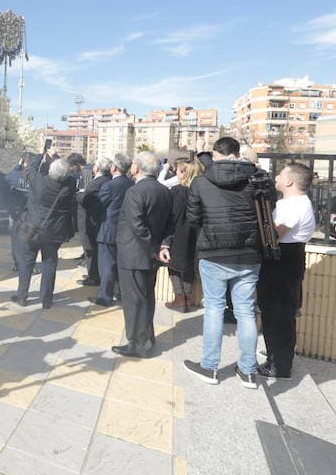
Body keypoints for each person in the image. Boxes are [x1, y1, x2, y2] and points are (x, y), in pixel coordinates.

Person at [183, 136, 271, 390]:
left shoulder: (201, 181)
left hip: (213, 253)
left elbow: (193, 218)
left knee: (214, 308)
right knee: (245, 311)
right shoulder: (256, 179)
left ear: (214, 153)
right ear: (237, 153)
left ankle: (209, 367)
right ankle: (248, 371)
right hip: (249, 254)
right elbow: (267, 212)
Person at [257, 163, 316, 380]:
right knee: (275, 312)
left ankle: (279, 364)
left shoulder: (295, 205)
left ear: (290, 181)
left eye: (281, 174)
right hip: (286, 259)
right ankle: (276, 354)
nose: (276, 178)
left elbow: (274, 235)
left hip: (283, 260)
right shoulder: (293, 203)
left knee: (278, 313)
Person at [113, 152, 172, 358]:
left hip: (134, 254)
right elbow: (169, 225)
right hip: (149, 255)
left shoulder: (135, 191)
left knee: (134, 300)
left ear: (136, 168)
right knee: (146, 297)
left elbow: (137, 226)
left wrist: (156, 247)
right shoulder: (164, 191)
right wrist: (162, 246)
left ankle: (137, 343)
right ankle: (146, 338)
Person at [12, 153, 76, 309]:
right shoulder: (70, 185)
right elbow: (69, 175)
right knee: (49, 263)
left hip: (33, 228)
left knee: (27, 261)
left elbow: (30, 168)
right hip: (53, 232)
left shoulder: (39, 182)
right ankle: (46, 299)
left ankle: (22, 296)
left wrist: (41, 154)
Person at [89, 153, 133, 307]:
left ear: (114, 167)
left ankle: (105, 297)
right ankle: (121, 293)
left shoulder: (109, 186)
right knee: (121, 264)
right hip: (126, 231)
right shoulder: (131, 184)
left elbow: (98, 206)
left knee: (106, 265)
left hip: (108, 230)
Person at [161, 157, 204, 312]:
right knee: (188, 269)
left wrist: (165, 240)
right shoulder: (201, 191)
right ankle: (187, 298)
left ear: (184, 173)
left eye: (177, 170)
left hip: (179, 235)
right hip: (196, 236)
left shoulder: (178, 191)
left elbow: (173, 216)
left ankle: (180, 298)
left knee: (173, 266)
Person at [79, 157, 112, 286]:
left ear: (96, 168)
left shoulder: (96, 183)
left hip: (92, 221)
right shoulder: (109, 180)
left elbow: (86, 200)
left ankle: (93, 276)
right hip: (102, 221)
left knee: (90, 249)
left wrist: (79, 195)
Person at [5, 153, 35, 274]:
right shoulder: (35, 176)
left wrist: (17, 166)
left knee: (15, 238)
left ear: (23, 162)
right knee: (29, 239)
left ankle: (17, 263)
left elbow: (7, 178)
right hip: (29, 213)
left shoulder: (15, 175)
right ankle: (28, 265)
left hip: (15, 213)